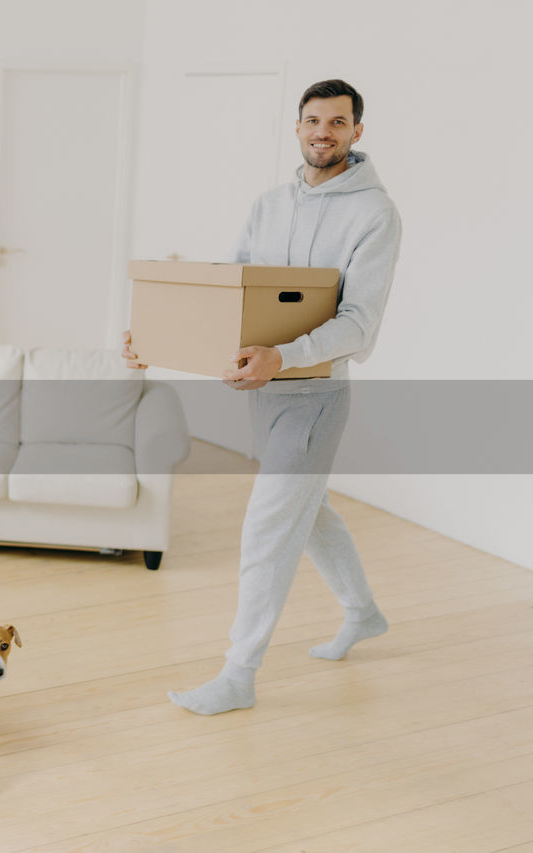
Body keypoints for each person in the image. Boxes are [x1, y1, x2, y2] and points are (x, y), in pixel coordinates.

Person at [123, 79, 402, 714]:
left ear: (357, 131)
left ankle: (238, 674)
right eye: (312, 120)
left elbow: (360, 324)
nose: (322, 132)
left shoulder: (375, 214)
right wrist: (156, 339)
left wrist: (286, 355)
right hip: (265, 395)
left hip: (315, 397)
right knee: (308, 512)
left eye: (337, 122)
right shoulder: (269, 203)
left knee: (269, 524)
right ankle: (363, 613)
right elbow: (232, 295)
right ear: (297, 127)